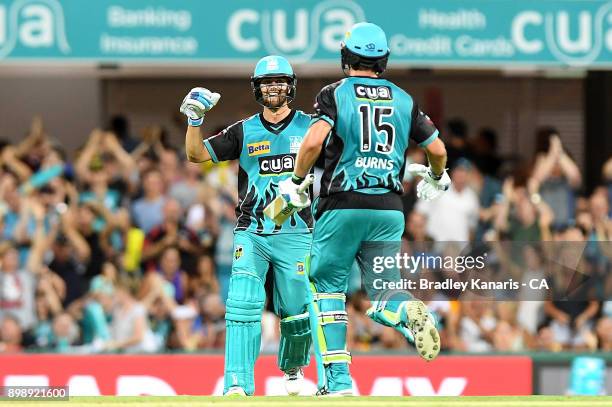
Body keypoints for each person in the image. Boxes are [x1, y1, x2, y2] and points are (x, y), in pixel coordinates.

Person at [280, 22, 450, 395]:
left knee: (325, 288)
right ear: (383, 61)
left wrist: (295, 181)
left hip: (343, 204)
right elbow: (436, 151)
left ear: (346, 57)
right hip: (389, 209)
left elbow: (312, 142)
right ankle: (408, 311)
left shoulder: (335, 93)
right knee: (386, 291)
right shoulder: (405, 99)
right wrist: (438, 178)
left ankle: (339, 381)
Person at [180, 55, 314, 396]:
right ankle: (237, 383)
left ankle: (293, 366)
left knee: (297, 309)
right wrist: (195, 121)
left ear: (290, 86)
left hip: (297, 231)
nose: (273, 88)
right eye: (267, 83)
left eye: (279, 81)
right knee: (242, 304)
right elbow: (196, 156)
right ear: (258, 88)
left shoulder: (311, 127)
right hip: (252, 231)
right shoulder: (244, 130)